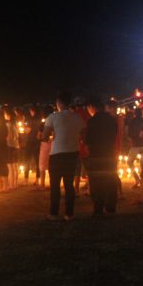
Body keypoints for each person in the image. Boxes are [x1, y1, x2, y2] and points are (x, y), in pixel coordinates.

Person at [43, 92, 86, 221]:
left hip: (57, 153)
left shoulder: (52, 117)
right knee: (69, 184)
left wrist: (53, 137)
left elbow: (45, 136)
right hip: (72, 153)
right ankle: (69, 213)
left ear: (59, 103)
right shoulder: (77, 117)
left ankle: (53, 213)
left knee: (55, 185)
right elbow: (84, 135)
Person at [84, 96, 119, 216]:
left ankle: (98, 208)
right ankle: (110, 208)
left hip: (96, 155)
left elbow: (87, 140)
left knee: (96, 182)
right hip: (109, 154)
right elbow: (114, 135)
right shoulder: (112, 119)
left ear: (92, 107)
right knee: (110, 181)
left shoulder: (92, 121)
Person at [126, 108, 143, 188]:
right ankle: (141, 180)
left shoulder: (132, 122)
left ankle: (138, 179)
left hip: (136, 145)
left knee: (129, 162)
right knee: (142, 164)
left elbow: (129, 135)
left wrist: (132, 139)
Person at [6, 108, 20, 190]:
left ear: (9, 115)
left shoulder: (8, 125)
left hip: (10, 146)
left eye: (5, 114)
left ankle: (11, 184)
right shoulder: (16, 124)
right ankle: (15, 184)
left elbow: (9, 137)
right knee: (15, 165)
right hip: (16, 146)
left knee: (10, 166)